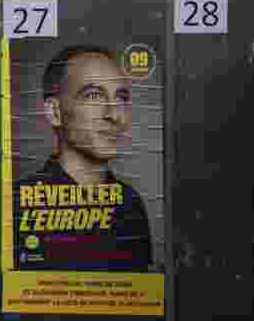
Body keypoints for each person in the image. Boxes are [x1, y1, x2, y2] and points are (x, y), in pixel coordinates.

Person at [13, 45, 153, 272]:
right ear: (54, 112)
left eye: (121, 97)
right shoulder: (16, 202)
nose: (114, 115)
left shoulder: (130, 204)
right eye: (94, 95)